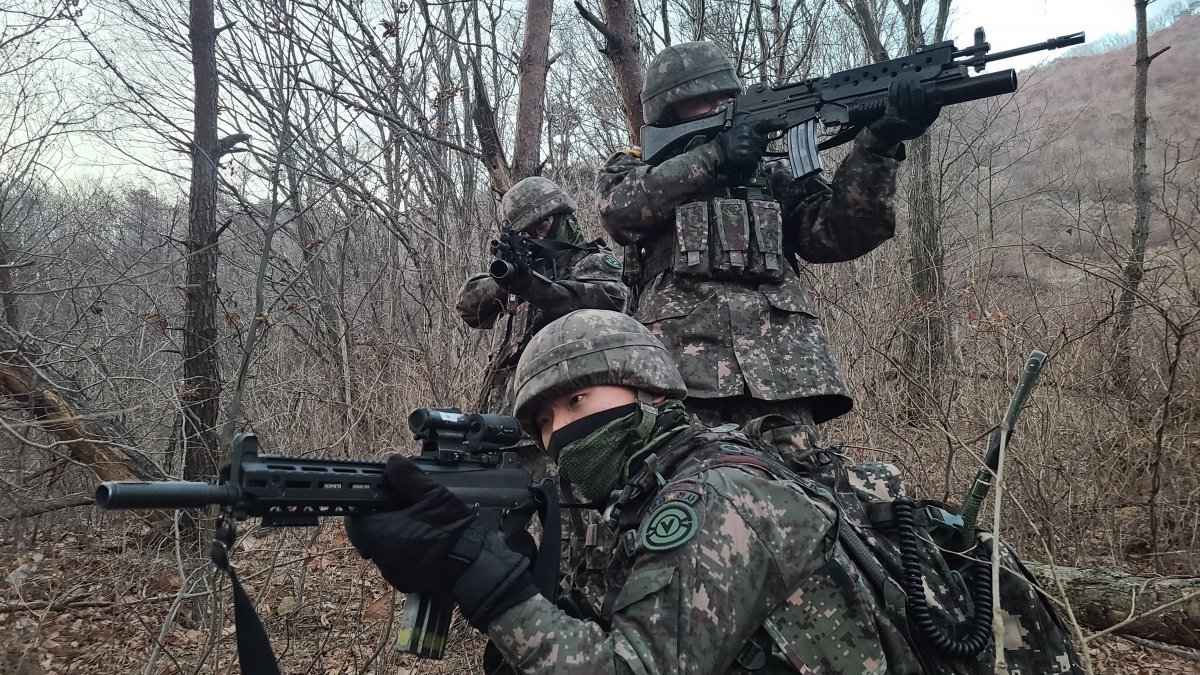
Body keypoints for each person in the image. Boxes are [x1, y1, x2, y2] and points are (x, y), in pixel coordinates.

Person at [345, 309, 1081, 674]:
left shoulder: (715, 496)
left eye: (575, 402)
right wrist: (523, 573)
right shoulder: (640, 498)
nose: (557, 433)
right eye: (541, 421)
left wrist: (490, 581)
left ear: (647, 390)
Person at [596, 41, 941, 451]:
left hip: (783, 378)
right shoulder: (635, 169)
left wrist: (878, 145)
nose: (720, 107)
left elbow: (838, 233)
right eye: (704, 101)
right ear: (670, 112)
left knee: (802, 500)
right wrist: (714, 157)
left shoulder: (774, 176)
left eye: (726, 98)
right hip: (682, 379)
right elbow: (621, 212)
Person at [457, 176, 626, 415]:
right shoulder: (525, 270)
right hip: (505, 413)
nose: (537, 236)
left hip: (565, 410)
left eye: (543, 225)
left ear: (564, 218)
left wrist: (530, 285)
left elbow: (600, 302)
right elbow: (467, 307)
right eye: (528, 233)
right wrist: (507, 280)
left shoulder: (594, 262)